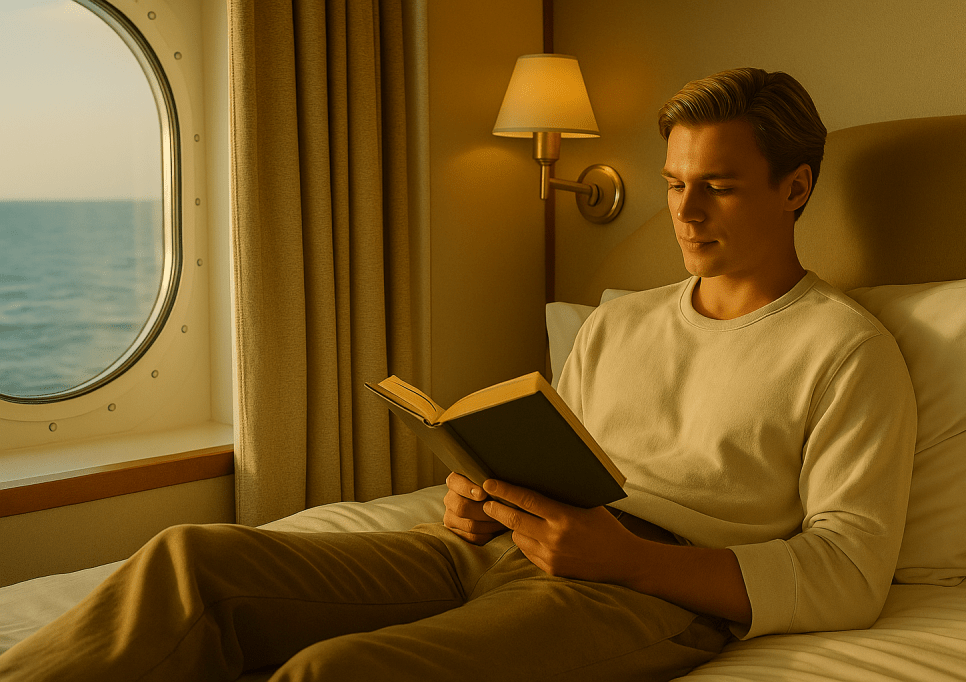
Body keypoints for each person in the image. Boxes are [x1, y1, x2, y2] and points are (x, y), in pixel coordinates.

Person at [0, 67, 916, 681]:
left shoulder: (845, 349)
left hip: (644, 588)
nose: (684, 209)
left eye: (716, 184)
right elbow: (575, 458)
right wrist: (481, 495)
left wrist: (625, 558)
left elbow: (847, 571)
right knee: (188, 564)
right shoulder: (623, 318)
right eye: (675, 182)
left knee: (339, 672)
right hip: (497, 548)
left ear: (794, 188)